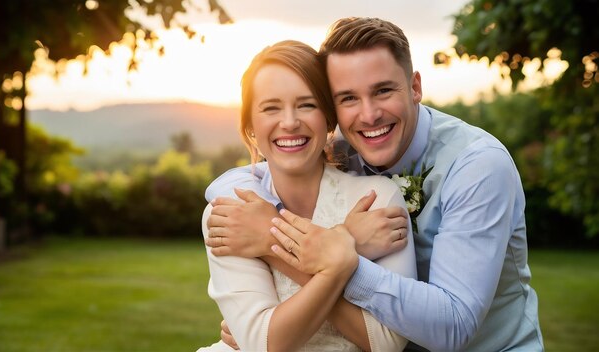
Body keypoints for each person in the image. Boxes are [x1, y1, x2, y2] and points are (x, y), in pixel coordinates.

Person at [205, 17, 544, 351]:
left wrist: (318, 249)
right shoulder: (343, 149)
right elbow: (241, 181)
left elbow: (453, 328)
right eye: (348, 98)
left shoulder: (478, 166)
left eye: (382, 91)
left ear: (414, 87)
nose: (368, 115)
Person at [199, 40, 417, 351]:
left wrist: (272, 246)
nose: (289, 122)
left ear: (329, 118)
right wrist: (341, 255)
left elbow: (386, 341)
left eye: (307, 104)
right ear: (250, 126)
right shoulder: (230, 214)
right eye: (271, 107)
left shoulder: (378, 199)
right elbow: (264, 343)